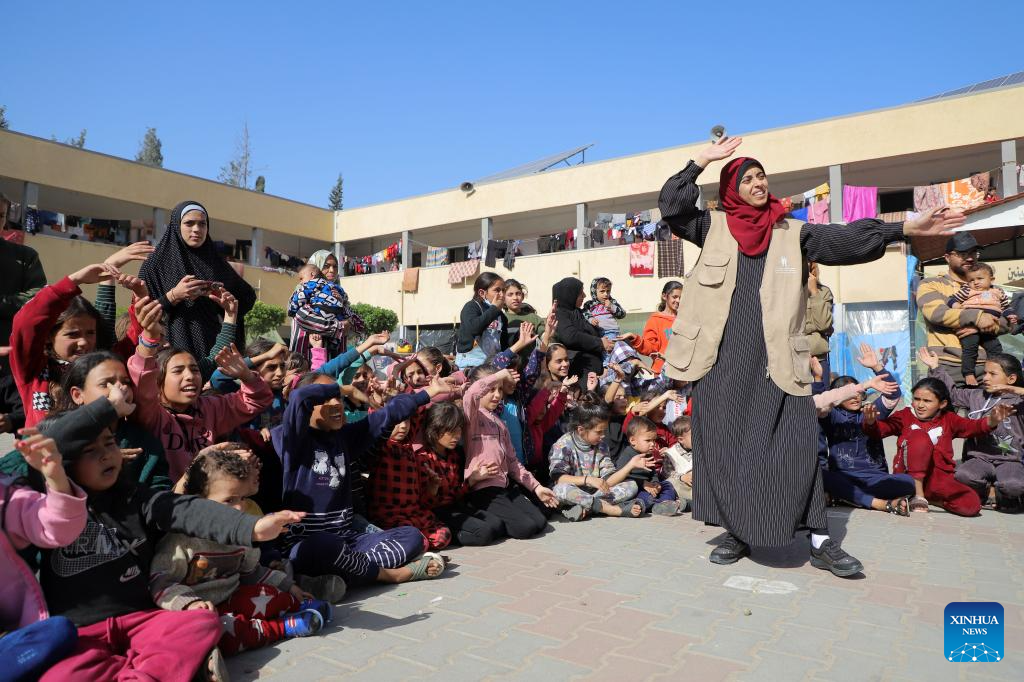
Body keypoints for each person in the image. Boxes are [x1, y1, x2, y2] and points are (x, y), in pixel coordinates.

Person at [658, 134, 964, 576]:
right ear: (731, 190)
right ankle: (737, 532)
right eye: (748, 179)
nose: (759, 184)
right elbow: (672, 206)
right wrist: (701, 160)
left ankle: (820, 540)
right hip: (721, 364)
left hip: (778, 364)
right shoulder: (711, 227)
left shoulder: (793, 232)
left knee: (798, 449)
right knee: (725, 449)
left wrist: (902, 230)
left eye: (762, 176)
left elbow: (845, 239)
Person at [33, 396, 302, 682]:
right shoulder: (39, 508)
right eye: (89, 449)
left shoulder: (136, 498)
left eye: (110, 443)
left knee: (201, 623)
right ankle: (156, 668)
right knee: (59, 674)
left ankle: (142, 671)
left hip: (143, 619)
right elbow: (37, 448)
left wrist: (252, 527)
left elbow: (188, 510)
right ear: (57, 461)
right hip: (81, 631)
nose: (106, 455)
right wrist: (105, 408)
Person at [270, 373, 452, 587]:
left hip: (348, 541)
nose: (337, 403)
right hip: (308, 545)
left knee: (412, 536)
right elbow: (299, 396)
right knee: (324, 546)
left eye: (339, 398)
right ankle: (394, 574)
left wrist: (430, 392)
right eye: (326, 398)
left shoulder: (345, 437)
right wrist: (344, 389)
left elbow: (390, 413)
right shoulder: (292, 439)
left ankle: (333, 578)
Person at [150, 448, 330, 656]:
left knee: (268, 595)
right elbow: (161, 583)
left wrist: (289, 587)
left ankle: (297, 605)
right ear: (197, 502)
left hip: (234, 597)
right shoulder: (180, 540)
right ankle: (281, 628)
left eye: (242, 499)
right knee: (227, 630)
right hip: (200, 612)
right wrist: (190, 604)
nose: (239, 508)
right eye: (229, 500)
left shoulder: (239, 534)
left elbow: (252, 571)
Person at [128, 298, 274, 482]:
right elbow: (142, 380)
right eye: (178, 371)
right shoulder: (151, 415)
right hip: (166, 497)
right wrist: (149, 337)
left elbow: (256, 401)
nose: (190, 376)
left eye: (195, 369)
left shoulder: (210, 408)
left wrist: (247, 375)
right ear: (158, 381)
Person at [862, 377, 1012, 516]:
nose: (920, 405)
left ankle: (930, 498)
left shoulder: (949, 419)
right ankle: (918, 494)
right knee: (919, 436)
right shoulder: (905, 415)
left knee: (971, 505)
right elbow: (881, 430)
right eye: (917, 399)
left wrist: (992, 421)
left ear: (942, 404)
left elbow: (973, 426)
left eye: (927, 401)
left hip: (938, 478)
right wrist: (870, 422)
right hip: (907, 477)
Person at [0, 431, 82, 681]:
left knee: (58, 631)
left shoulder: (7, 496)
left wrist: (56, 477)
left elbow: (56, 528)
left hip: (9, 643)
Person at [138, 200, 257, 360]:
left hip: (213, 349)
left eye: (202, 224)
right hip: (169, 352)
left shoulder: (215, 262)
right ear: (177, 225)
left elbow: (246, 298)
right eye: (189, 223)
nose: (197, 229)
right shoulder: (155, 265)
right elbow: (142, 314)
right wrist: (174, 295)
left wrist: (223, 300)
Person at [920, 348, 1024, 510]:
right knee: (963, 476)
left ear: (1011, 379)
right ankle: (987, 492)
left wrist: (1015, 390)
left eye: (992, 374)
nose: (985, 378)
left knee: (1013, 485)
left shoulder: (1019, 401)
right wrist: (935, 367)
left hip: (1009, 460)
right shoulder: (976, 395)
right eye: (985, 373)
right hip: (979, 458)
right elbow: (952, 394)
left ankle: (1003, 495)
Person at [817, 345, 914, 515]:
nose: (856, 397)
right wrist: (818, 378)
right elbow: (819, 404)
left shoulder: (871, 410)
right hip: (845, 477)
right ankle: (880, 504)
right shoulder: (831, 415)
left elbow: (893, 395)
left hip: (876, 479)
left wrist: (877, 367)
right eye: (850, 393)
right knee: (822, 477)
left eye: (859, 393)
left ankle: (849, 497)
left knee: (908, 482)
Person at [461, 366, 558, 536]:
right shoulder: (472, 416)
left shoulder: (500, 423)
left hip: (504, 486)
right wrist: (498, 375)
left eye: (500, 389)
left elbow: (513, 463)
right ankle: (482, 515)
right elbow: (471, 394)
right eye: (491, 389)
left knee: (540, 521)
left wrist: (536, 487)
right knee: (525, 528)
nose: (497, 395)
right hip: (483, 489)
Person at [916, 232, 1004, 384]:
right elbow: (937, 313)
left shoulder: (988, 287)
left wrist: (982, 327)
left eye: (973, 253)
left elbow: (1008, 320)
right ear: (947, 257)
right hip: (948, 366)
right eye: (963, 254)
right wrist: (978, 318)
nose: (969, 258)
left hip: (988, 369)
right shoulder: (931, 284)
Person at [548, 399, 646, 520]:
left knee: (631, 485)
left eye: (604, 431)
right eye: (599, 432)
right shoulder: (563, 445)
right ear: (581, 430)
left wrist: (630, 466)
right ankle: (613, 510)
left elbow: (609, 479)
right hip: (572, 492)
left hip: (595, 493)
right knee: (560, 489)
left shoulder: (602, 446)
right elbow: (559, 478)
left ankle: (587, 508)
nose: (603, 435)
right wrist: (588, 480)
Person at [0, 192, 46, 364]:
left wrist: (3, 303)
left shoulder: (26, 256)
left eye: (1, 215)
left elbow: (37, 297)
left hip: (10, 358)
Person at [947, 262, 1010, 386]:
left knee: (995, 348)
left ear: (991, 280)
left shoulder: (997, 292)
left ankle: (994, 373)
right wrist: (956, 305)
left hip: (989, 329)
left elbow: (1006, 307)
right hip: (970, 326)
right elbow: (951, 299)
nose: (975, 282)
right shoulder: (967, 291)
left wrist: (1010, 314)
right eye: (971, 280)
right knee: (970, 348)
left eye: (980, 278)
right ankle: (968, 373)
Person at [615, 416, 683, 516]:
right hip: (637, 488)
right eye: (648, 440)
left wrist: (656, 483)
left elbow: (653, 472)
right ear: (633, 440)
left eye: (654, 440)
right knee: (644, 495)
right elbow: (620, 475)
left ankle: (664, 503)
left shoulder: (648, 454)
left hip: (650, 487)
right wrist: (643, 483)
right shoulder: (627, 454)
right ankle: (641, 505)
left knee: (667, 485)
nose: (652, 444)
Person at [288, 263, 355, 360]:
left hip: (332, 355)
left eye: (335, 266)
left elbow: (350, 320)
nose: (331, 270)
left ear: (312, 274)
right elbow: (296, 313)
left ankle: (335, 332)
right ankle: (336, 330)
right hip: (305, 350)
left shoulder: (335, 289)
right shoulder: (302, 289)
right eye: (326, 266)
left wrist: (340, 302)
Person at [552, 277, 612, 384]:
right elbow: (570, 336)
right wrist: (599, 343)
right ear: (570, 295)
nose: (584, 295)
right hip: (580, 369)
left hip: (597, 367)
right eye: (580, 293)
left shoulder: (579, 312)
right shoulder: (559, 313)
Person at [622, 280, 682, 374]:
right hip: (663, 373)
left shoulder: (684, 320)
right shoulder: (655, 320)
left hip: (684, 372)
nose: (678, 301)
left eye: (681, 298)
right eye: (674, 297)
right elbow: (650, 348)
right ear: (664, 296)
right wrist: (635, 339)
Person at [456, 273, 508, 369]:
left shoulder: (501, 316)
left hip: (491, 365)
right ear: (482, 293)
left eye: (503, 290)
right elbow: (474, 328)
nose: (502, 294)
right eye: (497, 290)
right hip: (470, 365)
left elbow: (504, 344)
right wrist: (494, 308)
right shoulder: (472, 307)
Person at [503, 279, 545, 364]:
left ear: (522, 296)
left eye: (518, 294)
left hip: (530, 365)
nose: (515, 298)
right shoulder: (500, 318)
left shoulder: (533, 318)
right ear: (503, 298)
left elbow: (545, 336)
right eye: (510, 294)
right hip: (508, 365)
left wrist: (549, 330)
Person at [805, 262, 834, 380]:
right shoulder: (784, 291)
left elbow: (823, 324)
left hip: (818, 359)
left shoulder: (823, 291)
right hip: (790, 360)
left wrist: (814, 292)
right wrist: (814, 327)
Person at [661, 416, 694, 507]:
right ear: (681, 439)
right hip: (682, 485)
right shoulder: (671, 453)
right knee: (670, 483)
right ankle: (675, 502)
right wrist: (681, 477)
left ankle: (686, 503)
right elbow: (666, 472)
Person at [582, 277, 627, 342]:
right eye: (602, 291)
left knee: (610, 346)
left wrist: (612, 307)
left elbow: (622, 314)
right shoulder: (589, 304)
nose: (606, 294)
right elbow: (584, 312)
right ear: (594, 292)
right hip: (596, 333)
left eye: (608, 291)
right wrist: (590, 319)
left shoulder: (612, 302)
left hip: (611, 332)